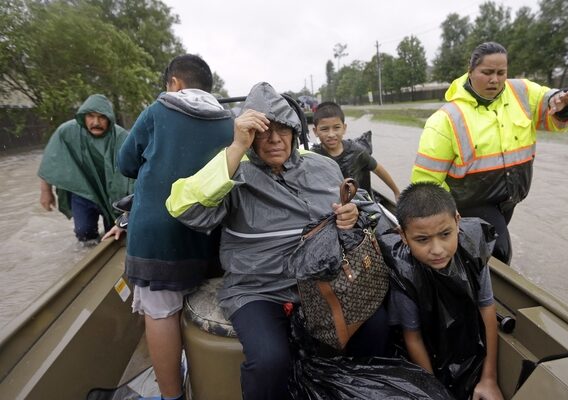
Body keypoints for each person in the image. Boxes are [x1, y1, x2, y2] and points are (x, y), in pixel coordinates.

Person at [166, 82, 389, 400]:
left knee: (376, 327)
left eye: (283, 129)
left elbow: (366, 211)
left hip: (325, 284)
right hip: (257, 290)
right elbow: (186, 210)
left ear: (296, 132)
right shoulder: (234, 171)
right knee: (269, 361)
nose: (274, 139)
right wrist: (235, 149)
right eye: (262, 131)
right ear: (248, 135)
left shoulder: (323, 167)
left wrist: (352, 216)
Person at [103, 54, 234, 400]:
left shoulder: (158, 111)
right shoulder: (230, 123)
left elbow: (126, 163)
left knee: (161, 313)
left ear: (174, 83)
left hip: (158, 238)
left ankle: (171, 396)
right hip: (211, 236)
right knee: (197, 304)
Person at [411, 41, 568, 264]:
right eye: (487, 72)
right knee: (500, 251)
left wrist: (565, 101)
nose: (495, 79)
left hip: (508, 199)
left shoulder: (521, 92)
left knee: (478, 254)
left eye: (502, 73)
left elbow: (550, 107)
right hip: (470, 204)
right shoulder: (446, 119)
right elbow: (426, 181)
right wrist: (443, 223)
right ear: (470, 71)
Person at [384, 181, 502, 400]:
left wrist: (489, 379)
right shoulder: (404, 272)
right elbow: (414, 337)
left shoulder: (473, 251)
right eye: (422, 240)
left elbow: (486, 308)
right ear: (403, 235)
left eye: (445, 234)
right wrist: (435, 392)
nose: (437, 250)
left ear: (457, 221)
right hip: (429, 346)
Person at [38, 94, 132, 245]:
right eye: (91, 116)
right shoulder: (66, 132)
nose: (96, 122)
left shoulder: (121, 137)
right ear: (83, 117)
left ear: (109, 118)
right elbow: (51, 161)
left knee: (115, 232)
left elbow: (132, 175)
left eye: (101, 117)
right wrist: (45, 191)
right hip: (83, 192)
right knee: (84, 232)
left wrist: (127, 214)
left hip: (113, 195)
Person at [311, 101, 401, 201]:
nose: (331, 134)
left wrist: (396, 192)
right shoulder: (312, 157)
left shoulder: (357, 152)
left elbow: (378, 169)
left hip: (357, 204)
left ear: (344, 128)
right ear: (315, 131)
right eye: (324, 129)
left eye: (336, 128)